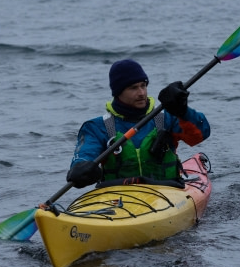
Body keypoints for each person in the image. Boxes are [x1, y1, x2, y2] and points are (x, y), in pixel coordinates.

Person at [66, 59, 211, 188]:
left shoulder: (166, 117)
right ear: (118, 92)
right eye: (133, 88)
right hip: (116, 196)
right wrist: (80, 168)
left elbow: (199, 135)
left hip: (166, 190)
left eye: (143, 85)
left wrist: (183, 110)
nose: (142, 92)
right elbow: (85, 154)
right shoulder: (97, 127)